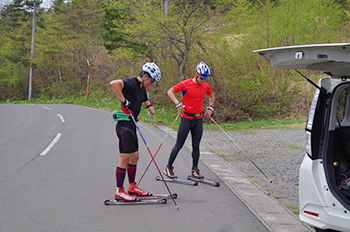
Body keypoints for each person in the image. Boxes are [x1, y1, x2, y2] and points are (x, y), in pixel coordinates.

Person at [110, 62, 161, 201]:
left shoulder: (141, 87)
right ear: (145, 76)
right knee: (124, 158)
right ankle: (119, 191)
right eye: (151, 80)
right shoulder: (131, 83)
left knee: (135, 157)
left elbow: (144, 98)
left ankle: (132, 187)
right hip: (124, 125)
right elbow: (114, 84)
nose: (151, 83)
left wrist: (149, 106)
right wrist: (123, 100)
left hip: (132, 125)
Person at [163, 61, 215, 179]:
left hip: (198, 119)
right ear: (196, 74)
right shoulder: (186, 84)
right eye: (202, 78)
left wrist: (210, 107)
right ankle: (168, 167)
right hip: (186, 119)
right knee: (179, 144)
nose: (203, 80)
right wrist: (177, 103)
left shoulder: (205, 86)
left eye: (205, 78)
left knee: (196, 145)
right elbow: (170, 91)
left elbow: (211, 95)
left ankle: (194, 170)